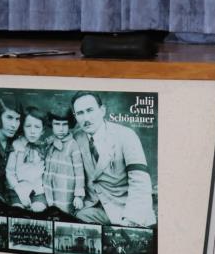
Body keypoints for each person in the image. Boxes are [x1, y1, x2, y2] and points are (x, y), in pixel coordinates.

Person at [70, 92, 155, 227]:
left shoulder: (126, 135)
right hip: (93, 209)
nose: (86, 118)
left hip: (125, 209)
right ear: (75, 116)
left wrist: (131, 219)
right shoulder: (76, 139)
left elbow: (140, 181)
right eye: (80, 113)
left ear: (102, 111)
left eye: (90, 110)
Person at [42, 102, 85, 215]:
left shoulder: (72, 145)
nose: (61, 129)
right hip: (48, 189)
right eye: (57, 124)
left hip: (65, 192)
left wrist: (78, 196)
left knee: (62, 215)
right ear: (51, 124)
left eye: (64, 124)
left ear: (69, 125)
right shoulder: (49, 142)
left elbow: (79, 173)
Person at [6, 106, 48, 210]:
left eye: (37, 127)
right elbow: (10, 172)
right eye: (28, 126)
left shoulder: (43, 147)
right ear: (23, 127)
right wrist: (19, 190)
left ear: (43, 131)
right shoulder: (16, 145)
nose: (32, 131)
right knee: (17, 210)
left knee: (39, 209)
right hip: (18, 190)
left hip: (37, 191)